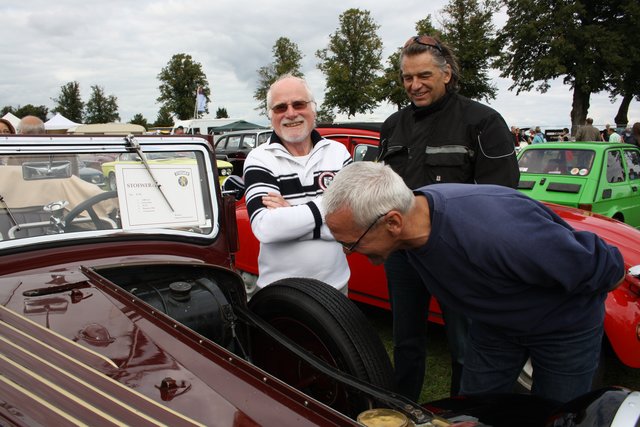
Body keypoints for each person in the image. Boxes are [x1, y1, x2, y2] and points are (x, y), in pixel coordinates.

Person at [323, 161, 625, 404]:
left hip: (563, 329)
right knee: (475, 407)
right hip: (494, 327)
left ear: (393, 223)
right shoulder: (409, 219)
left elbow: (605, 267)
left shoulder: (498, 234)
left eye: (352, 243)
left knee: (558, 413)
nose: (348, 252)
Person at [377, 34, 520, 400]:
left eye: (424, 75)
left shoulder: (483, 121)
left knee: (465, 345)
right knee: (406, 341)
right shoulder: (392, 125)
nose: (415, 85)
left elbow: (501, 198)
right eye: (407, 77)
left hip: (458, 255)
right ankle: (402, 409)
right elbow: (382, 187)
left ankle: (462, 414)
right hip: (404, 254)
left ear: (447, 74)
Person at [242, 74, 352, 294]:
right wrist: (330, 205)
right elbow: (266, 228)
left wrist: (291, 212)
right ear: (270, 115)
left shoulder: (338, 153)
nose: (291, 113)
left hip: (337, 287)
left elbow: (353, 222)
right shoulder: (259, 158)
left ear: (313, 108)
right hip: (281, 292)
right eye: (280, 107)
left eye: (299, 104)